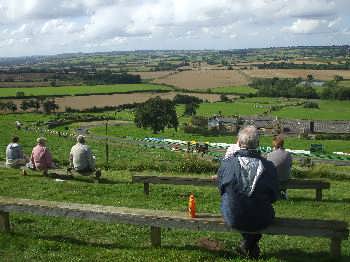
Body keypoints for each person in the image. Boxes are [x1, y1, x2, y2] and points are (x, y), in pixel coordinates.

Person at [217, 126, 278, 259]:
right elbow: (274, 197)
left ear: (238, 143)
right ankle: (250, 244)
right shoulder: (269, 167)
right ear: (258, 145)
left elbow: (221, 190)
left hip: (233, 217)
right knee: (255, 212)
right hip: (263, 218)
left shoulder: (227, 164)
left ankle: (247, 244)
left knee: (238, 207)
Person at [267, 134, 292, 199]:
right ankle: (283, 193)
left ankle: (275, 193)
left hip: (273, 180)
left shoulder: (270, 154)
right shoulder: (288, 154)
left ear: (274, 145)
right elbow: (290, 165)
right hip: (285, 178)